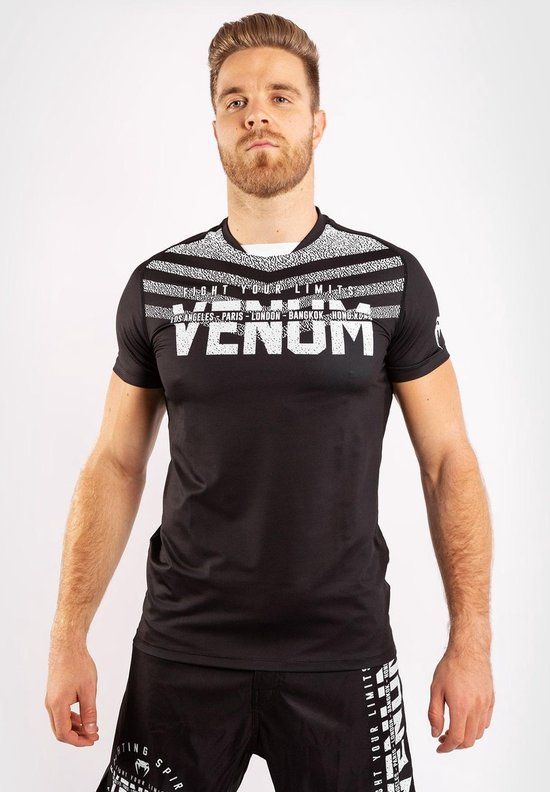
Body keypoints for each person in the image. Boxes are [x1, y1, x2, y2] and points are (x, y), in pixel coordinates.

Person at [44, 12, 495, 792]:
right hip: (184, 652)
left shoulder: (388, 279)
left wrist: (472, 642)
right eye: (236, 101)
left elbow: (448, 461)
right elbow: (115, 464)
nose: (257, 113)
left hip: (342, 652)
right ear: (216, 128)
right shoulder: (162, 285)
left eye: (281, 97)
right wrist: (66, 638)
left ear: (317, 121)